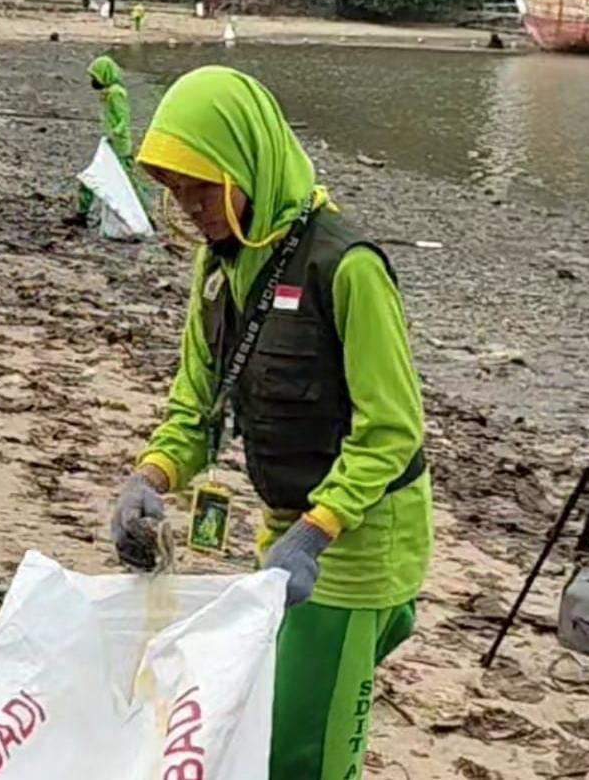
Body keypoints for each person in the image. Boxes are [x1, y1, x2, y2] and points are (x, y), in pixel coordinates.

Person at [110, 66, 432, 780]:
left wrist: (318, 531)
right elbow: (196, 405)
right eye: (176, 190)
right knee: (264, 722)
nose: (191, 207)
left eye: (203, 188)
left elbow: (392, 428)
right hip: (284, 529)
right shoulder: (218, 266)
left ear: (248, 164)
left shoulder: (347, 267)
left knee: (306, 753)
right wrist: (149, 478)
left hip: (359, 540)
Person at [64, 54, 139, 228]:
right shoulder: (109, 93)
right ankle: (82, 214)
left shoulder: (115, 94)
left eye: (95, 76)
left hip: (118, 148)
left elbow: (124, 119)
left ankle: (144, 220)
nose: (93, 81)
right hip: (110, 144)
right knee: (92, 178)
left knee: (127, 185)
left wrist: (114, 134)